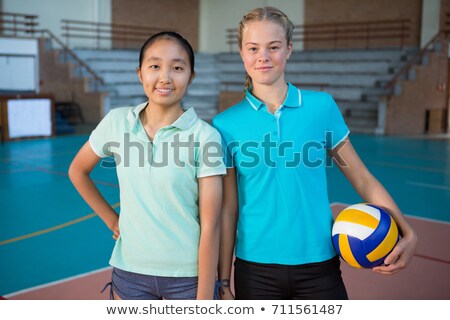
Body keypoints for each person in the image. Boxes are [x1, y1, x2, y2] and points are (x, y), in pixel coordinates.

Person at [212, 7, 418, 300]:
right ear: (241, 53)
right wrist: (222, 281)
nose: (263, 56)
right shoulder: (226, 124)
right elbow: (228, 208)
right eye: (253, 48)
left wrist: (407, 231)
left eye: (274, 47)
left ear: (289, 49)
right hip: (255, 270)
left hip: (319, 267)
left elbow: (361, 178)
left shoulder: (321, 108)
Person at [68, 31, 226, 300]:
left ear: (191, 76)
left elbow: (211, 225)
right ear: (140, 73)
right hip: (130, 274)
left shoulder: (206, 137)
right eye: (155, 66)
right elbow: (77, 171)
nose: (165, 77)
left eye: (177, 67)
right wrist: (112, 220)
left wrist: (203, 299)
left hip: (188, 279)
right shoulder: (116, 122)